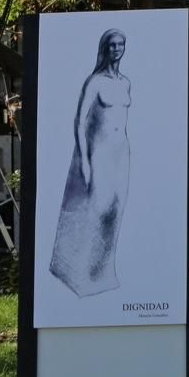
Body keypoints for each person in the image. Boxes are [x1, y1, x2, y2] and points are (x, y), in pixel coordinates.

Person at [50, 28, 131, 295]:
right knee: (95, 210)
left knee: (115, 212)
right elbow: (79, 121)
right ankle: (79, 272)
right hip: (99, 152)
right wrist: (84, 160)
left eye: (121, 44)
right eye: (112, 44)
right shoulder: (94, 81)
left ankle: (104, 272)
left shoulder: (125, 82)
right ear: (104, 48)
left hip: (121, 154)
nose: (116, 49)